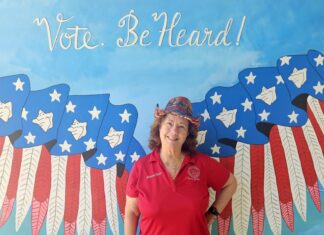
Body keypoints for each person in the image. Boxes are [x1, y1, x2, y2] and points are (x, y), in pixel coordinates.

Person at [125, 96, 237, 235]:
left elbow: (231, 184)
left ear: (187, 135)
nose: (174, 132)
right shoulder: (141, 167)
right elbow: (132, 211)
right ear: (159, 126)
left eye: (181, 126)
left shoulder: (202, 164)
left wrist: (212, 213)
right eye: (169, 123)